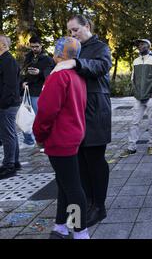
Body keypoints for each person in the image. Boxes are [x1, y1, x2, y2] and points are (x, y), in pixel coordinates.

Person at [53, 14, 112, 227]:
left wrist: (75, 63)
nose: (72, 34)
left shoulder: (101, 48)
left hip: (95, 111)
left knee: (95, 160)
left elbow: (101, 66)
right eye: (70, 31)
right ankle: (86, 202)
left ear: (87, 26)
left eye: (75, 30)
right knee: (80, 162)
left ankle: (99, 206)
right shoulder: (74, 48)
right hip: (76, 112)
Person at [33, 37, 89, 239]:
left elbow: (46, 112)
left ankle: (80, 231)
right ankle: (60, 226)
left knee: (72, 187)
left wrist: (39, 135)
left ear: (58, 54)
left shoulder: (58, 76)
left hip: (60, 138)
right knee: (65, 182)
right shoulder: (77, 75)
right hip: (74, 134)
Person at [120, 38, 152, 158]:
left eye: (142, 44)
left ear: (148, 46)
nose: (140, 46)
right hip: (138, 97)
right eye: (138, 45)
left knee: (151, 122)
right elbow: (133, 78)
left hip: (151, 96)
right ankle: (131, 147)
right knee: (134, 122)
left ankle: (151, 145)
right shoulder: (136, 61)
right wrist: (135, 91)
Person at [20, 35, 54, 146]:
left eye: (36, 46)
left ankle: (42, 141)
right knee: (25, 117)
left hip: (39, 92)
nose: (34, 49)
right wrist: (23, 82)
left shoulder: (48, 59)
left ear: (41, 45)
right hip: (27, 91)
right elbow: (23, 72)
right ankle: (29, 141)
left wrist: (39, 72)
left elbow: (50, 75)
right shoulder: (28, 57)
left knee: (39, 117)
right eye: (32, 46)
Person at [0, 35, 21, 179]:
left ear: (2, 45)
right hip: (6, 104)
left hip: (7, 105)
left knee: (7, 135)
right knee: (10, 134)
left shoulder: (8, 60)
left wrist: (2, 104)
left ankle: (9, 166)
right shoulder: (4, 60)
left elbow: (11, 85)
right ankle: (15, 162)